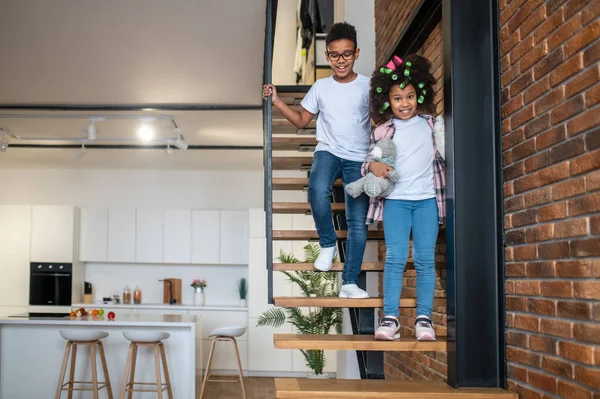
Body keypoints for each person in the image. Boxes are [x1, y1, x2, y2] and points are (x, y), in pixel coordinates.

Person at [263, 22, 371, 299]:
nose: (341, 60)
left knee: (357, 221)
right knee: (316, 190)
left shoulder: (368, 86)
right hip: (329, 151)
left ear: (356, 53)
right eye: (334, 55)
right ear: (327, 56)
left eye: (346, 54)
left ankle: (349, 283)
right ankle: (327, 243)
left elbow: (381, 121)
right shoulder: (321, 87)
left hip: (359, 157)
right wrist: (276, 100)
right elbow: (301, 121)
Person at [363, 54, 446, 340]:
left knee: (425, 260)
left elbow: (447, 156)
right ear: (387, 100)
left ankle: (424, 319)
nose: (405, 103)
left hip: (426, 202)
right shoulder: (383, 129)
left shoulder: (432, 124)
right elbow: (369, 163)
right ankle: (391, 319)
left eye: (410, 96)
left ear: (419, 94)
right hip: (396, 202)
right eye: (398, 98)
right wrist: (372, 165)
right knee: (396, 258)